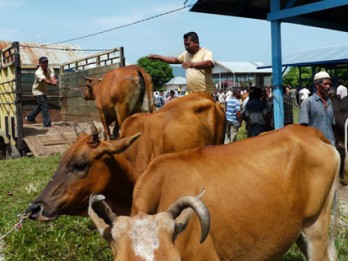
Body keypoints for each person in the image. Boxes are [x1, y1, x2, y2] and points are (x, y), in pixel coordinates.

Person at [149, 32, 215, 95]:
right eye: (185, 44)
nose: (186, 47)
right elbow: (174, 60)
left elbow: (209, 63)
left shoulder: (205, 52)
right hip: (190, 93)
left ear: (196, 43)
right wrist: (159, 57)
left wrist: (193, 65)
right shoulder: (186, 54)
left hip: (205, 93)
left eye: (188, 44)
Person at [299, 71, 335, 146]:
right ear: (317, 85)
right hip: (315, 146)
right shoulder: (308, 102)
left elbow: (332, 124)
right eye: (325, 84)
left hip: (330, 145)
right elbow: (303, 128)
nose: (328, 86)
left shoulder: (329, 102)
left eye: (329, 84)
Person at [25, 56, 58, 127]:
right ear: (40, 63)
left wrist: (54, 81)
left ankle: (30, 117)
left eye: (46, 62)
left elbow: (52, 77)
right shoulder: (38, 72)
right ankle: (47, 124)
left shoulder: (50, 69)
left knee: (41, 106)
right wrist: (53, 83)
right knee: (44, 106)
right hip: (37, 91)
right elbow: (46, 81)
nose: (45, 64)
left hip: (43, 91)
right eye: (43, 62)